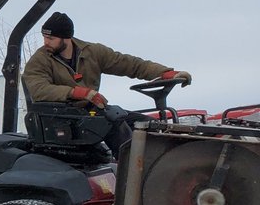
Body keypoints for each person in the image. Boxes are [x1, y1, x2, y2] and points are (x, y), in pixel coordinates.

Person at [22, 11, 192, 157]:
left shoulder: (92, 52)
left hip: (92, 112)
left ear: (66, 38)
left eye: (50, 38)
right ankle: (131, 175)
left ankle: (162, 166)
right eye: (44, 37)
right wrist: (78, 92)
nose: (45, 42)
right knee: (114, 123)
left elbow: (129, 64)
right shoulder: (40, 60)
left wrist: (165, 73)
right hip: (61, 117)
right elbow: (39, 90)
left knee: (147, 126)